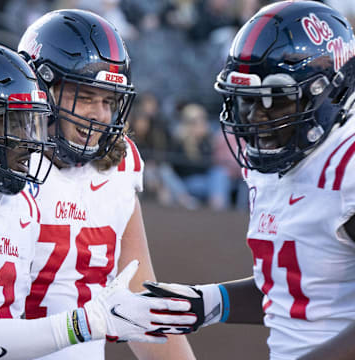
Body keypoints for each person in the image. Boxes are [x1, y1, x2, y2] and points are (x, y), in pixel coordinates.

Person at [144, 1, 355, 359]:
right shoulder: (277, 160)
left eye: (277, 101)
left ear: (330, 93)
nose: (258, 119)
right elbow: (297, 291)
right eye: (248, 102)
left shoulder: (346, 165)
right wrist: (206, 302)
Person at [17, 9, 196, 360]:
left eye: (109, 101)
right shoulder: (9, 161)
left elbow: (137, 291)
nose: (99, 114)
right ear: (42, 88)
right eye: (85, 96)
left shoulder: (119, 165)